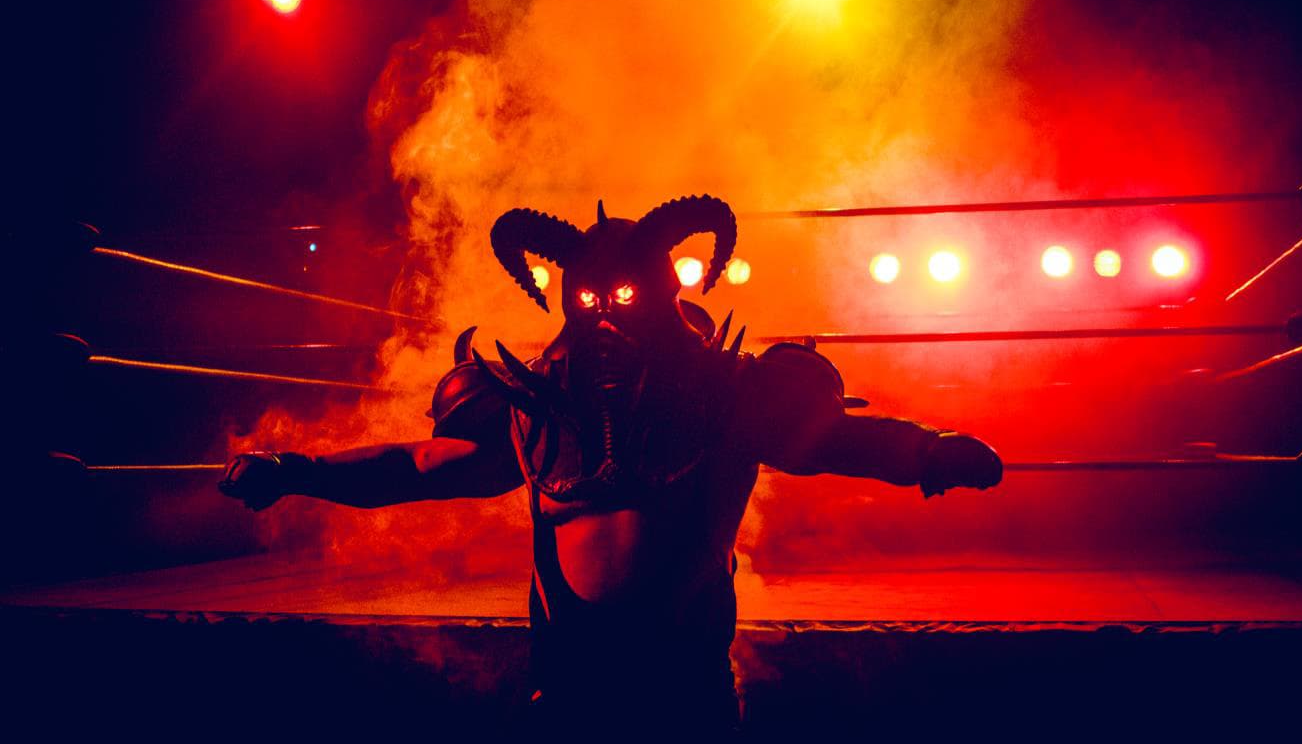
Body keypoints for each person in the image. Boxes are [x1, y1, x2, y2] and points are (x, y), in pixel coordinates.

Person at [218, 194, 1002, 733]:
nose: (604, 318)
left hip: (686, 691)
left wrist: (926, 450)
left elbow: (832, 440)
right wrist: (297, 468)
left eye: (624, 298)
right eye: (588, 299)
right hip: (568, 693)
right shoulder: (535, 406)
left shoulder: (729, 392)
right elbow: (417, 464)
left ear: (663, 293)